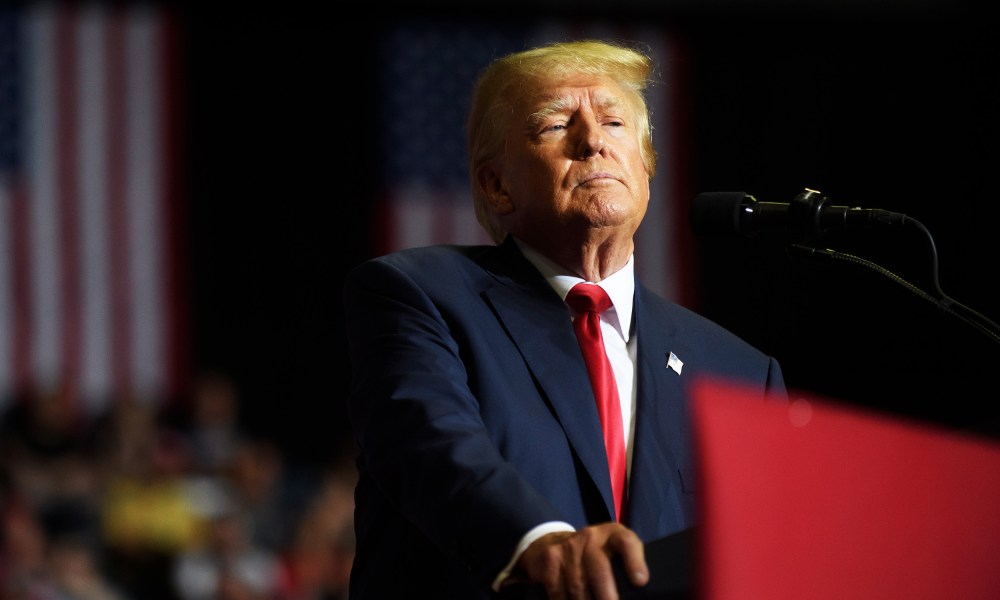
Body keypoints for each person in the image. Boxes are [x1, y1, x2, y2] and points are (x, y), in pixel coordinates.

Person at [343, 39, 787, 599]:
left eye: (613, 121)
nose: (594, 141)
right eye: (555, 126)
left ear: (647, 165)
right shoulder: (420, 295)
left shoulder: (742, 372)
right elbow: (432, 445)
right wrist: (540, 540)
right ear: (495, 185)